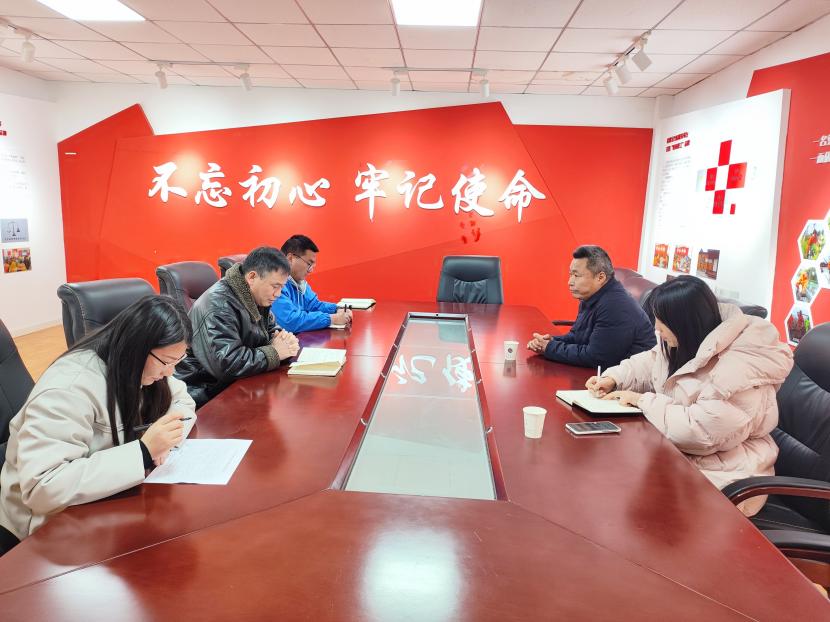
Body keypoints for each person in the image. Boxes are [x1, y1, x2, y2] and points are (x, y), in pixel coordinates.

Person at [0, 296, 195, 551]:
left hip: (101, 500)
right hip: (45, 528)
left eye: (177, 362)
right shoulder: (70, 388)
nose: (170, 372)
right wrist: (144, 451)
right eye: (167, 362)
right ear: (137, 347)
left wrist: (167, 436)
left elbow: (182, 400)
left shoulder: (141, 367)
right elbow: (43, 488)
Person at [585, 276, 793, 516]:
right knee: (610, 479)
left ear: (683, 322)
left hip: (729, 475)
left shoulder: (739, 367)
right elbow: (652, 361)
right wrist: (614, 378)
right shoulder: (689, 339)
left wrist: (642, 400)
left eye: (662, 322)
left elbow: (701, 432)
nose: (656, 328)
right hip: (685, 456)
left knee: (628, 501)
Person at [176, 246, 300, 407]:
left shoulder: (255, 295)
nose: (278, 294)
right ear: (252, 277)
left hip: (235, 385)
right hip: (204, 394)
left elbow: (269, 329)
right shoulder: (218, 306)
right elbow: (227, 365)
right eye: (275, 286)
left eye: (282, 287)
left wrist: (283, 339)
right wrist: (275, 352)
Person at [527, 245, 655, 369]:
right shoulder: (590, 296)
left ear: (600, 277)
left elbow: (596, 357)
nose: (570, 282)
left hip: (628, 380)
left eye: (576, 276)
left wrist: (550, 348)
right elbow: (577, 336)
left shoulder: (615, 306)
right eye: (570, 274)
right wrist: (551, 341)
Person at [272, 234, 351, 333]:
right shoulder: (275, 285)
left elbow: (314, 305)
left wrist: (336, 309)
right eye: (309, 264)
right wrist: (332, 319)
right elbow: (290, 321)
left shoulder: (299, 283)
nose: (311, 270)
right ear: (290, 258)